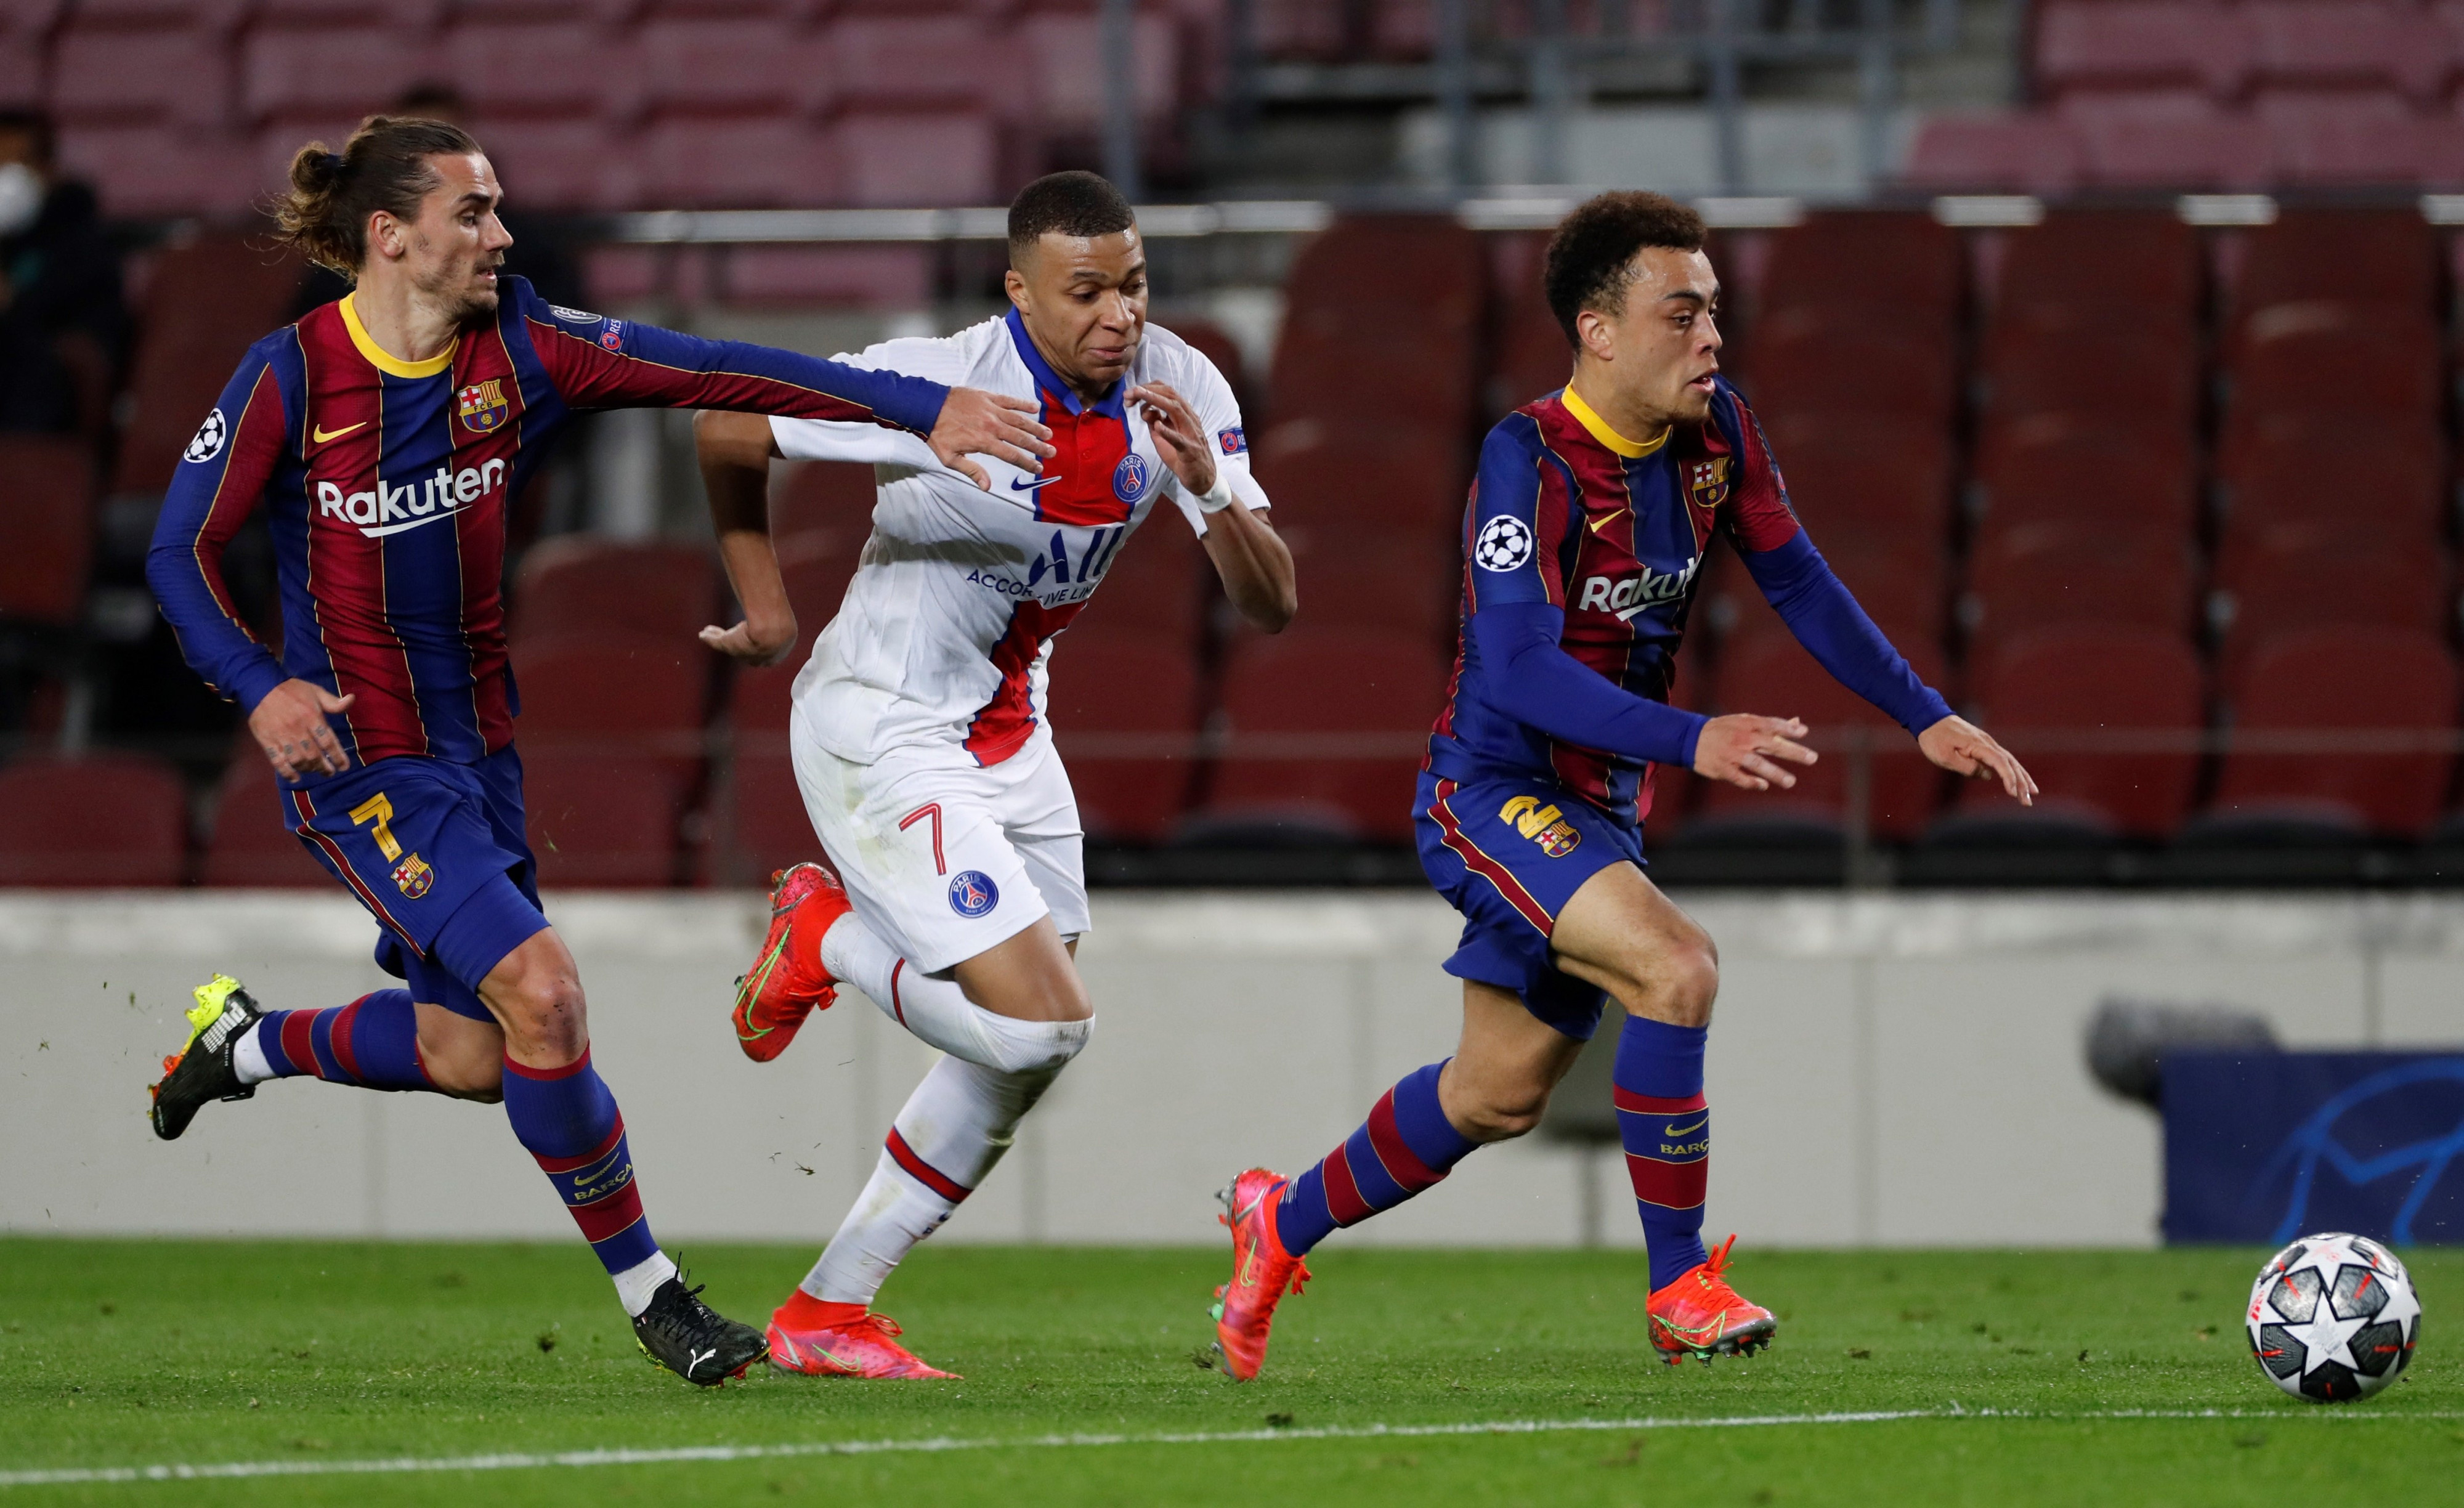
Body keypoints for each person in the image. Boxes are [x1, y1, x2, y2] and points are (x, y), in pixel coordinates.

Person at [140, 115, 1050, 1388]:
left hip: (480, 750)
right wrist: (259, 688)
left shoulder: (529, 347)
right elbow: (175, 553)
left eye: (499, 208)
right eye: (473, 214)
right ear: (390, 238)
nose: (502, 234)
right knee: (548, 998)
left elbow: (723, 369)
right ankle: (657, 1298)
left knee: (471, 1054)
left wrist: (924, 409)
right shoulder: (290, 376)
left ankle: (241, 1045)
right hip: (360, 758)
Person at [1206, 191, 2038, 1380]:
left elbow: (1801, 584)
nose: (1712, 338)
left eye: (1716, 313)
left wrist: (1927, 713)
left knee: (1493, 1097)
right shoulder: (1528, 455)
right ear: (1599, 330)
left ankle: (1275, 1219)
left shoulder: (1721, 437)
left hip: (1594, 813)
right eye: (1682, 313)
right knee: (1677, 965)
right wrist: (1690, 738)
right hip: (1490, 792)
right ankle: (1680, 1285)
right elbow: (1521, 666)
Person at [692, 170, 1297, 1380]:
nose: (1118, 314)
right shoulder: (937, 379)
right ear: (1019, 290)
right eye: (1085, 292)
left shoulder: (1179, 385)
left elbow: (1272, 604)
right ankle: (825, 938)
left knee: (1013, 1057)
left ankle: (828, 1312)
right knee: (1041, 1031)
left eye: (1131, 283)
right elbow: (726, 422)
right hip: (884, 724)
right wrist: (766, 609)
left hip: (1009, 739)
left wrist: (1205, 494)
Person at [0, 108, 126, 436]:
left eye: (17, 166)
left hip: (46, 397)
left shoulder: (81, 240)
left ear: (48, 170)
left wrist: (15, 302)